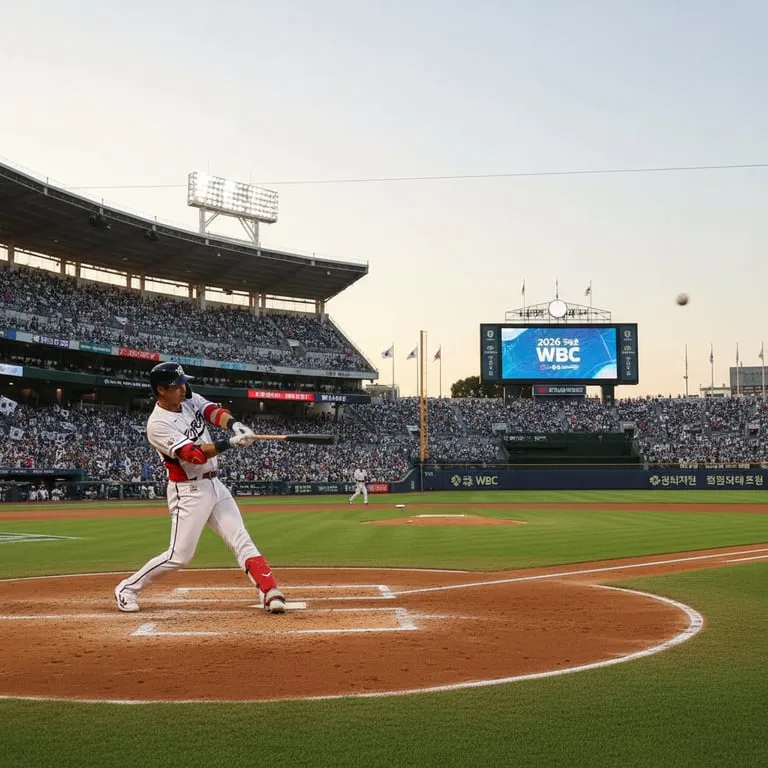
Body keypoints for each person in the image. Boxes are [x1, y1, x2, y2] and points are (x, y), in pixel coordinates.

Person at [114, 362, 286, 614]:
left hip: (214, 484)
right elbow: (193, 455)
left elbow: (211, 410)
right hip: (188, 491)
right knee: (179, 556)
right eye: (176, 385)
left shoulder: (187, 399)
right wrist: (229, 443)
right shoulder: (158, 424)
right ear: (161, 390)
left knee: (241, 539)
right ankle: (127, 588)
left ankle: (269, 590)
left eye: (183, 383)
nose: (183, 389)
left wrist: (234, 425)